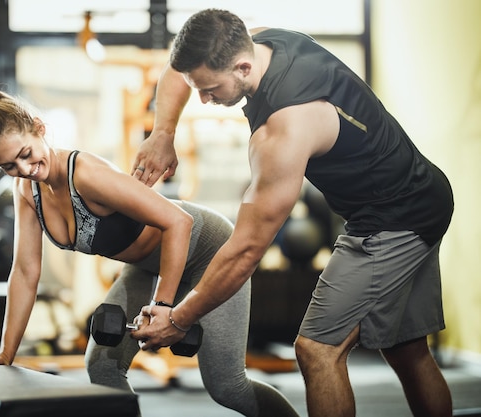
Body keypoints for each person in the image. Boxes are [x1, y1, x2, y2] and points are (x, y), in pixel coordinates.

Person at [131, 8, 455, 417]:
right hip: (425, 192)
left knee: (318, 349)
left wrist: (178, 319)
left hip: (393, 219)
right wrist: (163, 133)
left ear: (242, 66)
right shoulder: (264, 41)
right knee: (406, 349)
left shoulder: (282, 130)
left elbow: (247, 249)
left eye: (210, 89)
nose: (203, 99)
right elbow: (178, 71)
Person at [0, 87, 299, 417]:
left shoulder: (86, 174)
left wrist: (163, 309)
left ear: (39, 129)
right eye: (9, 165)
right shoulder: (26, 191)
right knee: (102, 365)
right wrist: (5, 352)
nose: (24, 169)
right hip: (148, 266)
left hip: (209, 251)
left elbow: (178, 222)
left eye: (25, 154)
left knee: (227, 387)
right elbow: (25, 271)